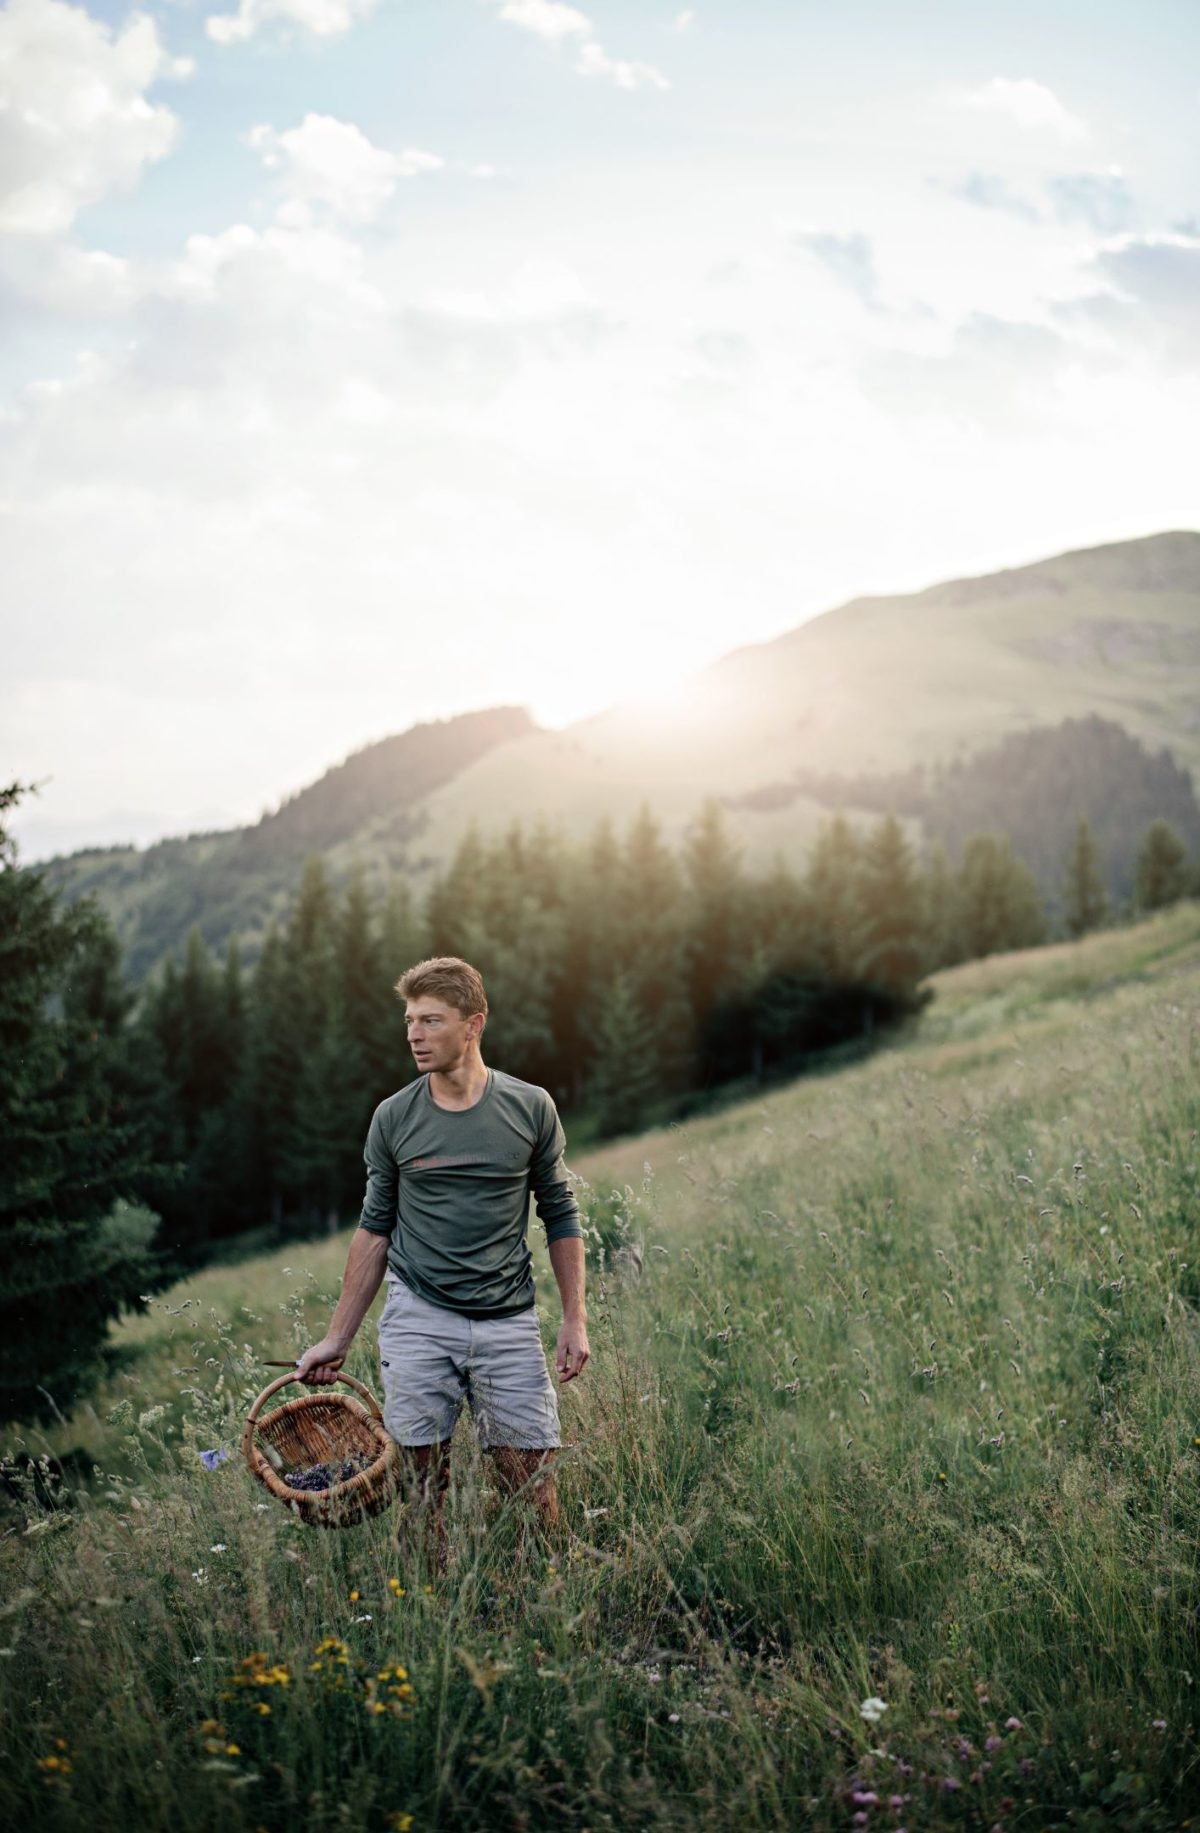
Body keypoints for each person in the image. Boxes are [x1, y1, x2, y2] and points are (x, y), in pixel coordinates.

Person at [294, 955, 589, 1570]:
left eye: (430, 1020)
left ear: (473, 1024)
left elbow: (560, 1213)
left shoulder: (530, 1107)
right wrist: (337, 1338)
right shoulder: (394, 1117)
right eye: (409, 1021)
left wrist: (574, 1318)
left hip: (508, 1319)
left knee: (532, 1485)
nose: (414, 1034)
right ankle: (430, 1600)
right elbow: (374, 1230)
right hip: (418, 1318)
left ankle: (552, 1589)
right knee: (422, 1489)